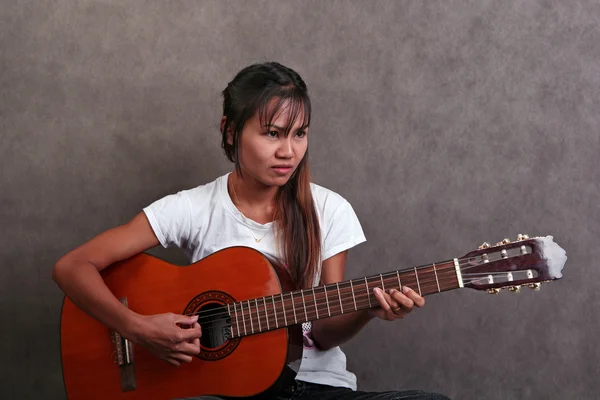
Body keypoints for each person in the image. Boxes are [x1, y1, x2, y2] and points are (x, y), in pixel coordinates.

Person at [53, 62, 450, 400]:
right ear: (230, 131)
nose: (288, 151)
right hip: (225, 389)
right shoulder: (193, 208)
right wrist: (137, 328)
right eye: (272, 133)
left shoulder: (330, 209)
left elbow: (324, 335)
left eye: (300, 133)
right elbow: (72, 266)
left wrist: (367, 309)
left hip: (314, 387)